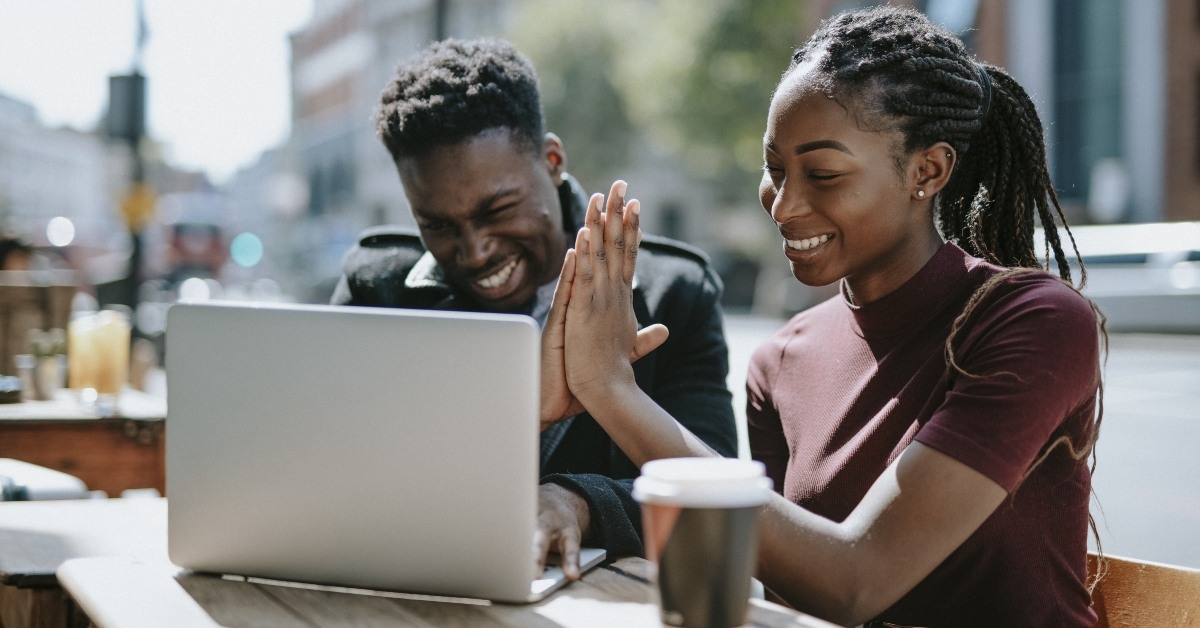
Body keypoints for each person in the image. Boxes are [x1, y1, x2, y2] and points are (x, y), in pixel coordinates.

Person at [545, 6, 1104, 626]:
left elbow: (854, 581)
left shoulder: (1033, 322)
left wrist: (611, 390)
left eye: (823, 173)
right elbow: (788, 595)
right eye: (775, 169)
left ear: (928, 171)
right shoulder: (780, 362)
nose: (783, 206)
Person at [330, 38, 737, 579]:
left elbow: (714, 487)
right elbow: (334, 469)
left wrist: (580, 501)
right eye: (438, 226)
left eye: (498, 209)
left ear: (551, 161)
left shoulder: (674, 295)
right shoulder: (376, 289)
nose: (474, 251)